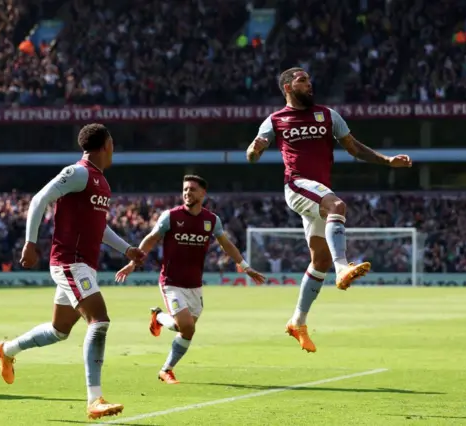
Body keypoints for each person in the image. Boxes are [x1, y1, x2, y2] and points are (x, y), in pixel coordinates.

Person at [246, 67, 412, 352]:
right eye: (302, 81)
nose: (309, 84)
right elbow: (252, 154)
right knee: (337, 205)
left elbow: (355, 148)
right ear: (287, 87)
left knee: (319, 260)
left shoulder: (327, 115)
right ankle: (343, 267)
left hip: (317, 192)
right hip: (298, 186)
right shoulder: (274, 120)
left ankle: (297, 321)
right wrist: (255, 149)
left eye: (310, 80)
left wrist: (387, 161)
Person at [0, 124, 146, 420]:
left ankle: (7, 349)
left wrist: (127, 249)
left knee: (59, 330)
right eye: (113, 143)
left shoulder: (102, 182)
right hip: (69, 261)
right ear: (107, 144)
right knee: (99, 321)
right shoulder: (78, 173)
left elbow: (98, 227)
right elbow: (40, 199)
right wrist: (30, 242)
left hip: (82, 264)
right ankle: (94, 399)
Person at [115, 174, 266, 384]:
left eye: (193, 189)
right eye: (185, 189)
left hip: (194, 285)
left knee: (183, 330)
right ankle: (167, 370)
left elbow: (226, 244)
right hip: (171, 282)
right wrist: (133, 263)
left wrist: (245, 266)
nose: (187, 193)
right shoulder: (171, 216)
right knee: (187, 327)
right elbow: (151, 239)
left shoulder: (211, 220)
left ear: (203, 194)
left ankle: (158, 319)